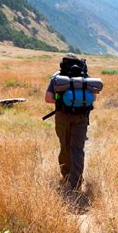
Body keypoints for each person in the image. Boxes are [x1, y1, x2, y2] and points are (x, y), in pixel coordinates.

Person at [44, 53, 98, 192]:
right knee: (77, 149)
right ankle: (77, 183)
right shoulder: (85, 76)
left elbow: (48, 98)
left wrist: (62, 100)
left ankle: (66, 177)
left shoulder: (57, 76)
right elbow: (94, 98)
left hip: (62, 116)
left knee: (64, 146)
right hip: (81, 117)